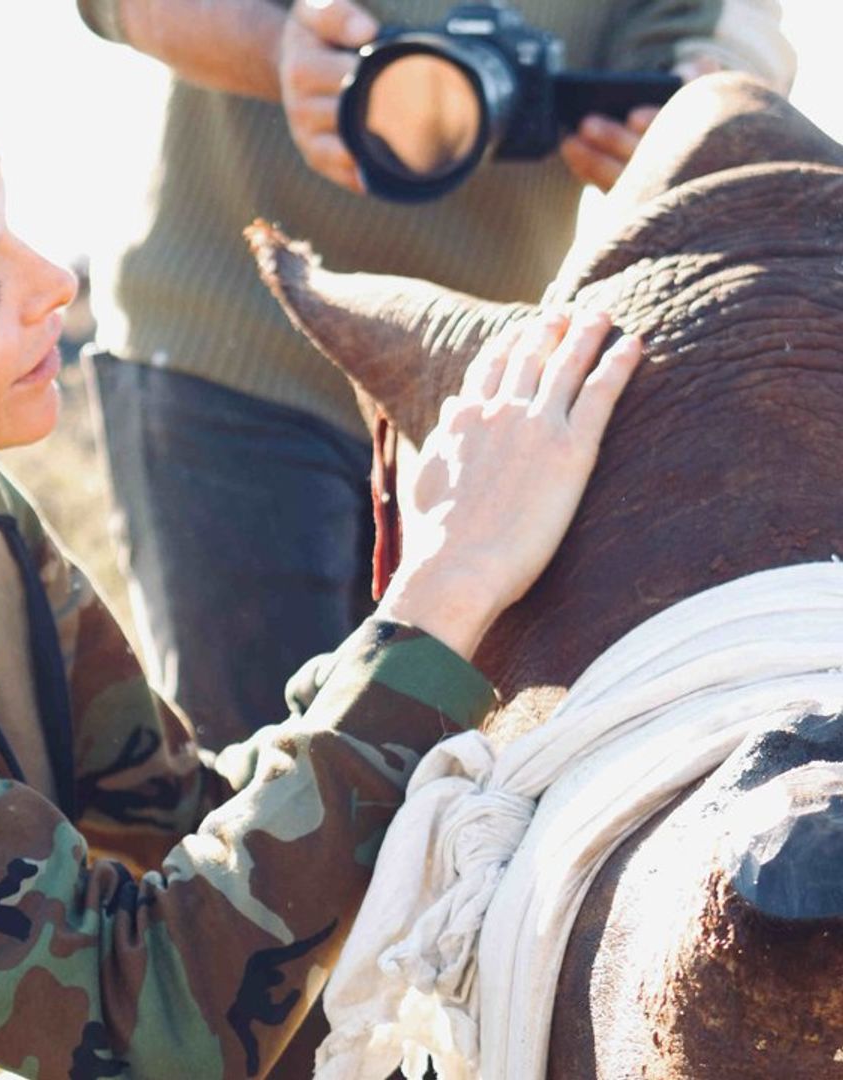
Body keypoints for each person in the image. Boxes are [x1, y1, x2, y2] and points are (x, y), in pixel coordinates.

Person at [0, 63, 640, 1077]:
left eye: (14, 237)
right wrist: (448, 591)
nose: (56, 284)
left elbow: (181, 824)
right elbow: (145, 1018)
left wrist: (444, 574)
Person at [76, 0, 796, 750]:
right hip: (230, 347)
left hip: (484, 392)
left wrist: (694, 94)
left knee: (454, 762)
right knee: (253, 762)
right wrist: (280, 51)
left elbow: (726, 29)